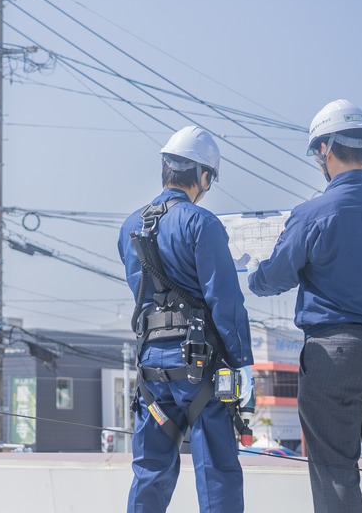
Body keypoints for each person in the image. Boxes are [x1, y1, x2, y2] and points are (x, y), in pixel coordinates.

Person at [247, 100, 362, 513]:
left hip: (334, 356)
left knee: (336, 471)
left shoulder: (312, 213)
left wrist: (253, 273)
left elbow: (275, 277)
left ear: (325, 150)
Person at [120, 125, 254, 513]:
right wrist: (243, 362)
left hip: (151, 372)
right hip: (198, 368)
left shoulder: (130, 227)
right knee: (217, 471)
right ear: (203, 176)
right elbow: (225, 301)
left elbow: (142, 296)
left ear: (165, 170)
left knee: (149, 470)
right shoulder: (201, 223)